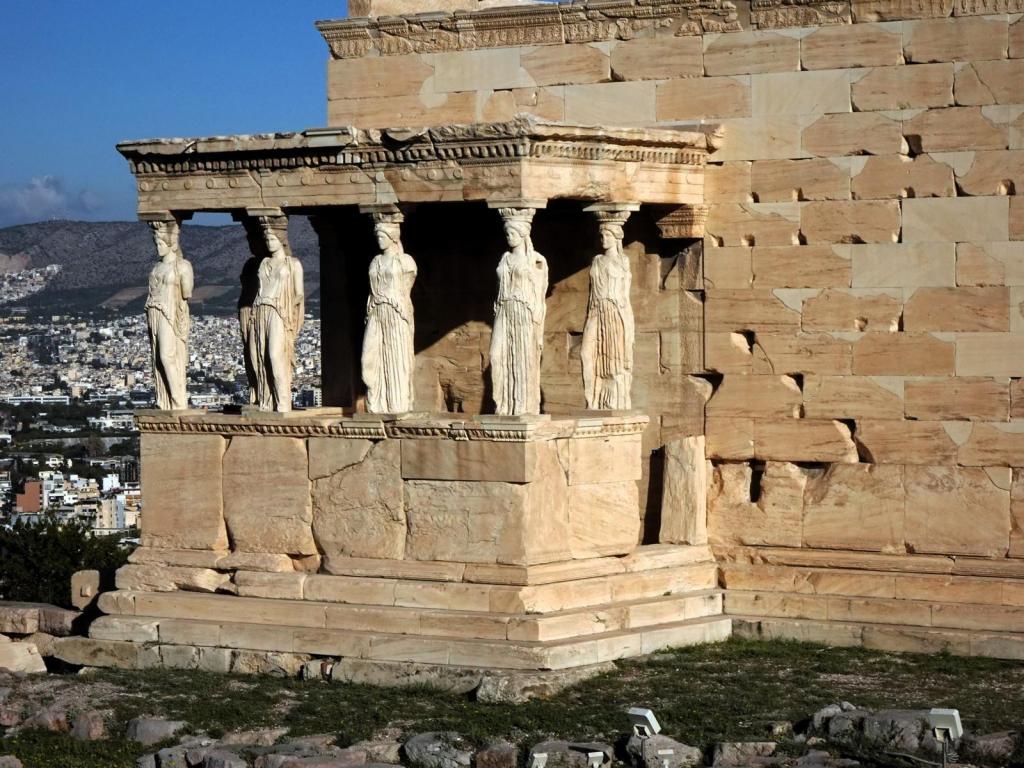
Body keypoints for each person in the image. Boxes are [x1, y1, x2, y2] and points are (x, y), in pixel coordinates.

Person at [490, 209, 548, 416]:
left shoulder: (536, 260)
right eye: (507, 233)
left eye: (512, 233)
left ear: (523, 234)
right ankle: (503, 405)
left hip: (523, 310)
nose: (509, 237)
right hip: (504, 310)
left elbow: (540, 291)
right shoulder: (505, 258)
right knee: (496, 354)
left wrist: (537, 320)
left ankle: (523, 406)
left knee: (523, 356)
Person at [362, 215, 417, 413]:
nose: (379, 239)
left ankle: (397, 404)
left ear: (393, 236)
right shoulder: (375, 261)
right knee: (368, 359)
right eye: (377, 236)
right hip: (375, 312)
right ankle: (376, 403)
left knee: (397, 358)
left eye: (382, 235)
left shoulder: (406, 262)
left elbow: (406, 291)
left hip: (396, 312)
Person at [582, 216, 634, 410]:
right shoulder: (596, 261)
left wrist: (628, 327)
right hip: (596, 311)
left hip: (614, 312)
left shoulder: (623, 262)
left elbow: (625, 295)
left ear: (617, 237)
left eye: (608, 235)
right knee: (586, 354)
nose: (603, 239)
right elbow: (591, 292)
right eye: (602, 235)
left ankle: (612, 402)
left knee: (614, 362)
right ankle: (592, 400)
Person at [252, 224, 304, 412]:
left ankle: (283, 403)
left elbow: (299, 293)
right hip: (260, 310)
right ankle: (268, 402)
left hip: (280, 312)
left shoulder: (293, 264)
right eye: (267, 239)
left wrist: (288, 311)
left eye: (273, 239)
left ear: (282, 241)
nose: (269, 242)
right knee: (262, 357)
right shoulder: (264, 263)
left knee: (275, 355)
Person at [144, 220, 193, 411]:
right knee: (157, 358)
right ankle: (164, 401)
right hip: (154, 311)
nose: (158, 247)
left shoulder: (183, 266)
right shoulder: (156, 267)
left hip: (170, 312)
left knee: (166, 355)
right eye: (156, 243)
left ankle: (178, 400)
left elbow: (187, 293)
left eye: (161, 243)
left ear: (171, 243)